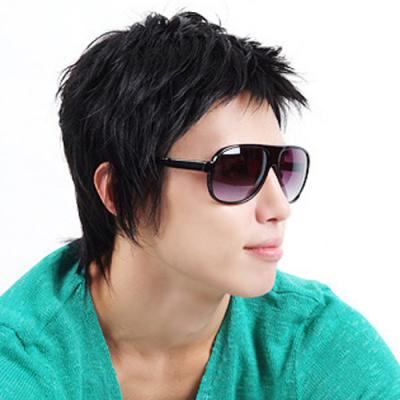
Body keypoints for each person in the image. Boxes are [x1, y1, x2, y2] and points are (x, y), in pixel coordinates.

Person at [0, 9, 399, 400]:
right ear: (119, 191)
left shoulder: (313, 341)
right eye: (237, 169)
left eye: (283, 168)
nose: (279, 207)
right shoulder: (21, 361)